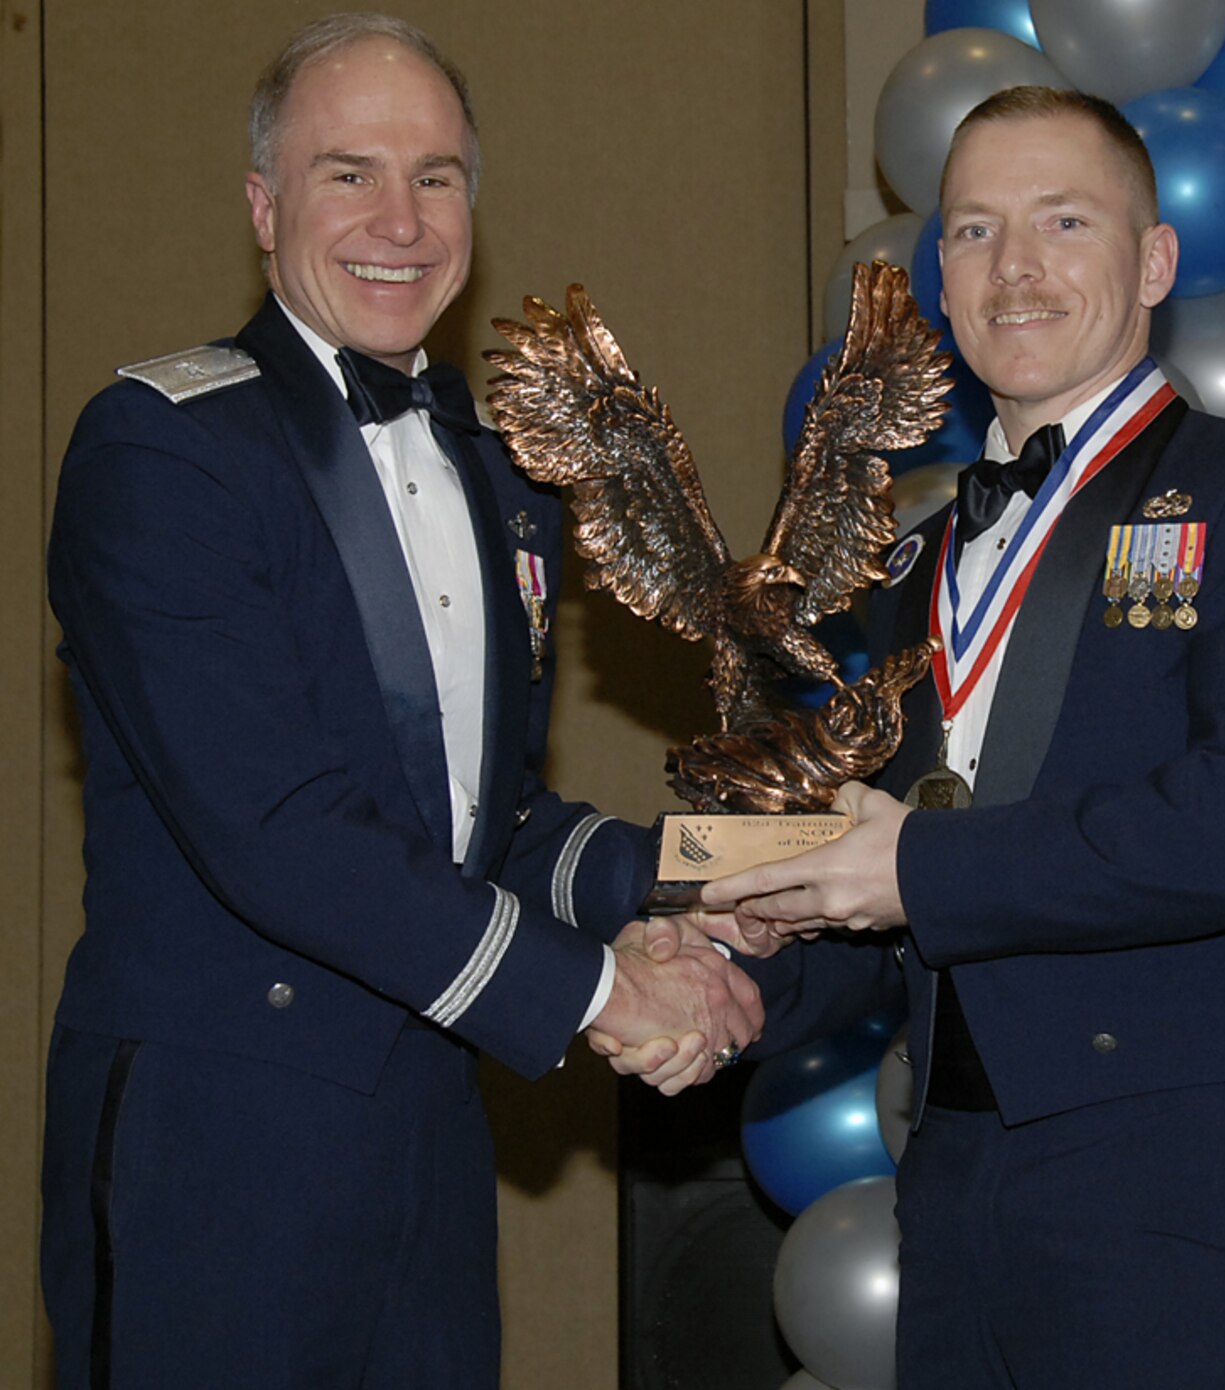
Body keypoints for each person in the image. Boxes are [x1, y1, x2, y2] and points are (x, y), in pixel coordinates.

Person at [40, 15, 760, 1386]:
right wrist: (605, 992)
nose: (401, 219)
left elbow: (486, 826)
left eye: (436, 177)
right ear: (265, 208)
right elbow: (279, 828)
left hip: (430, 1129)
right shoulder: (162, 451)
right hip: (219, 1149)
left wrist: (723, 880)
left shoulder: (501, 485)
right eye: (348, 172)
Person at [671, 86, 1225, 1388]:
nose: (1017, 268)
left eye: (1064, 221)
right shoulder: (919, 562)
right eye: (978, 230)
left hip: (1160, 1162)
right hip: (949, 1162)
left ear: (1155, 260)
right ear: (938, 273)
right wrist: (731, 979)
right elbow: (875, 878)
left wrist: (914, 873)